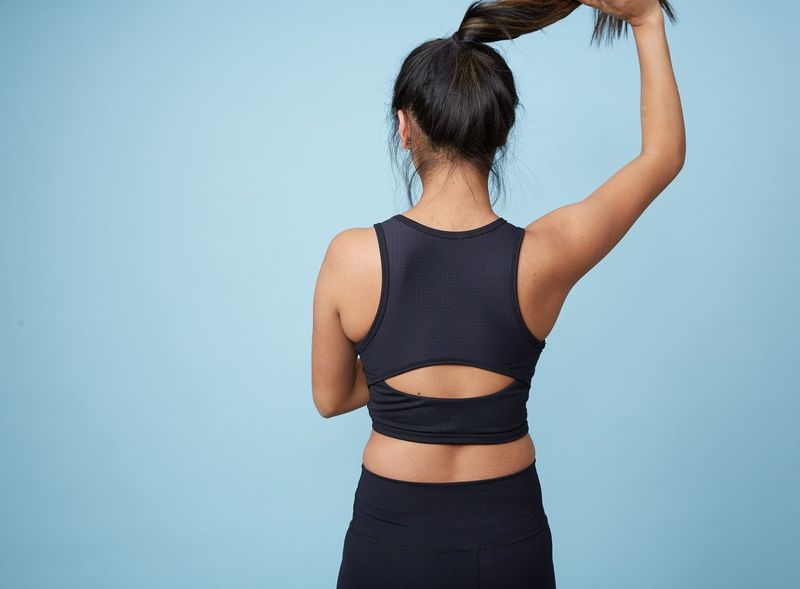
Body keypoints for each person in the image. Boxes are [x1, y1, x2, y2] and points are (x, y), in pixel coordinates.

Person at [312, 0, 685, 586]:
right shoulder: (545, 256)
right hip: (509, 536)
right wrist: (645, 20)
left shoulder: (351, 256)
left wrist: (402, 380)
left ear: (405, 127)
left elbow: (331, 397)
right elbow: (662, 157)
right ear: (503, 129)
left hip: (391, 536)